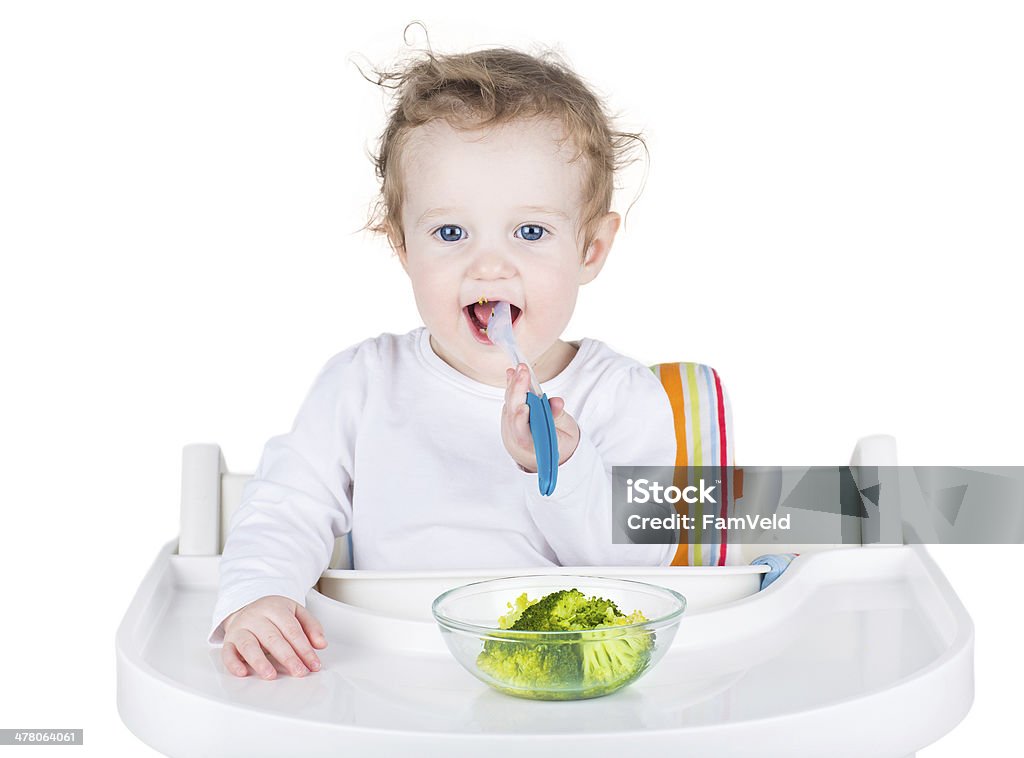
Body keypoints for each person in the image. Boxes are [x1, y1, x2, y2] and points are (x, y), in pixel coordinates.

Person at [209, 42, 690, 680]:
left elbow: (640, 570)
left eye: (530, 232)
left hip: (562, 684)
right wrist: (258, 595)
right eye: (451, 233)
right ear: (402, 246)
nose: (489, 266)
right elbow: (286, 505)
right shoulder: (362, 384)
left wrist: (560, 466)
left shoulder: (625, 396)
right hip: (385, 671)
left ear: (592, 248)